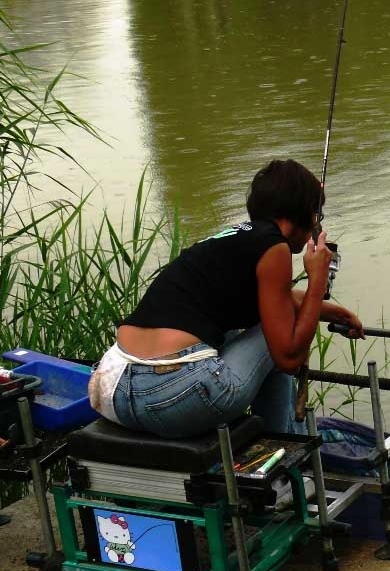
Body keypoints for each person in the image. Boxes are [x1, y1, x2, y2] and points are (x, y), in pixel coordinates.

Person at [87, 159, 364, 438]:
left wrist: (328, 311)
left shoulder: (232, 239)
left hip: (113, 393)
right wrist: (317, 281)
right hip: (173, 397)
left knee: (257, 326)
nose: (317, 223)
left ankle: (281, 436)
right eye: (317, 214)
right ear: (302, 212)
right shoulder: (275, 248)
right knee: (281, 333)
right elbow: (288, 359)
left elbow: (276, 296)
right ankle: (282, 442)